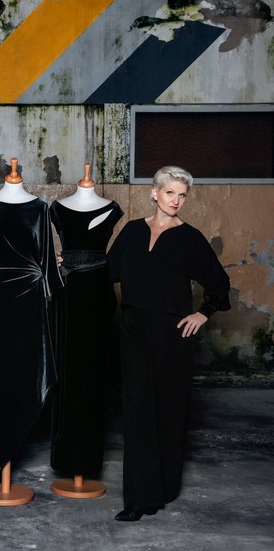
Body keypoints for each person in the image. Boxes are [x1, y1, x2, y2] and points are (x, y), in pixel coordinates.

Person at [107, 166, 230, 522]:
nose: (176, 200)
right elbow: (106, 270)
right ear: (154, 193)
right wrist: (71, 261)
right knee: (137, 411)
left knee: (168, 409)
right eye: (170, 192)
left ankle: (163, 489)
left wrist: (202, 313)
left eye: (182, 195)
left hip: (172, 333)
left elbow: (219, 283)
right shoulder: (132, 231)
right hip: (133, 329)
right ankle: (139, 497)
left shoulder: (190, 238)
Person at [0, 158, 63, 490]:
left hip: (29, 291)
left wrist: (50, 287)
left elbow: (47, 254)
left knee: (26, 365)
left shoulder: (39, 207)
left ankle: (17, 429)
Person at [50, 165, 123, 481]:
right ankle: (65, 457)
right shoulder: (57, 209)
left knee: (93, 374)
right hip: (67, 292)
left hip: (96, 292)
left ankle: (88, 460)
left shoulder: (112, 209)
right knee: (65, 372)